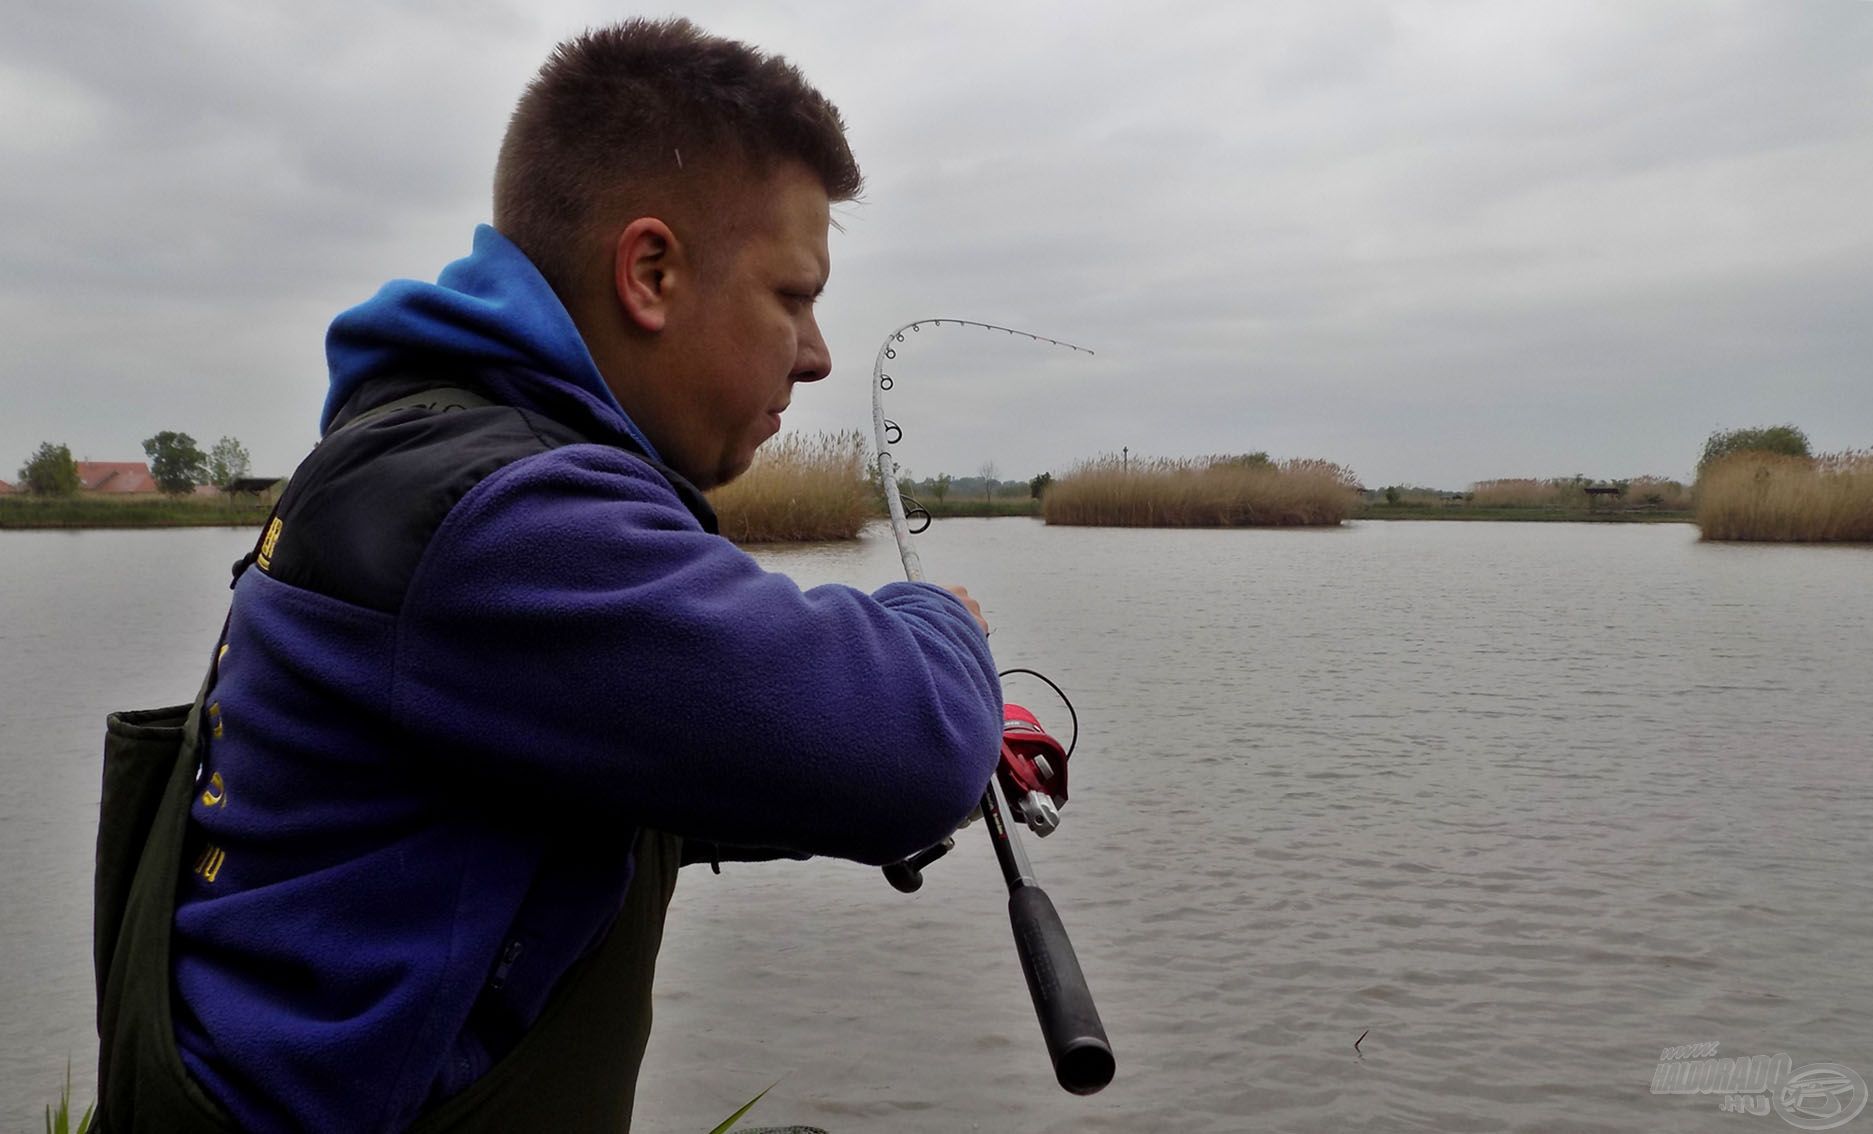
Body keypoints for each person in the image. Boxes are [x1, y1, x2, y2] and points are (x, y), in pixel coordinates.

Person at [98, 18, 1002, 1132]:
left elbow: (580, 768)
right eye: (793, 296)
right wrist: (938, 623)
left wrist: (825, 766)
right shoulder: (501, 519)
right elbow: (906, 747)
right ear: (652, 273)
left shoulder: (426, 456)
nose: (816, 354)